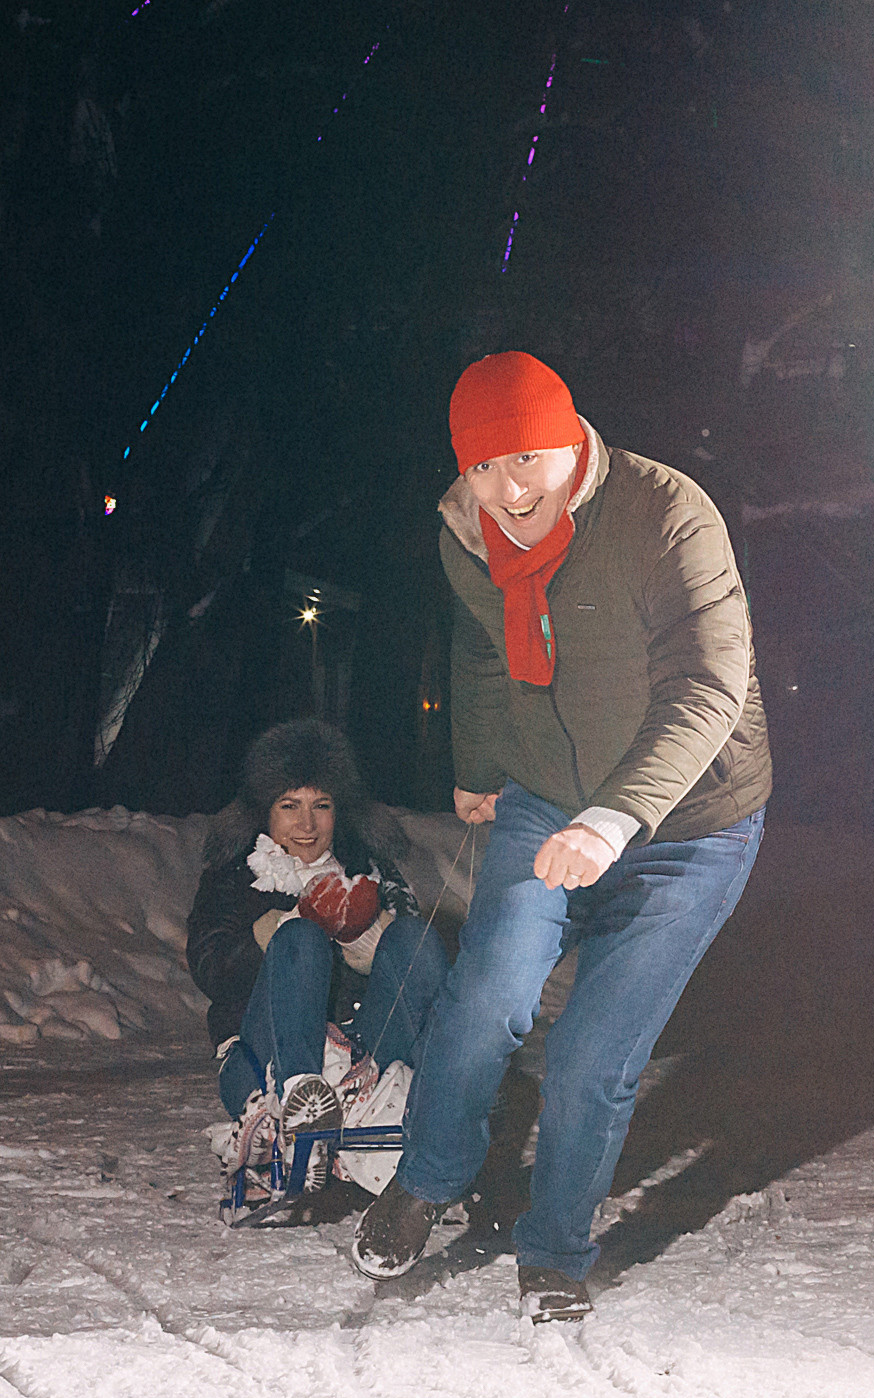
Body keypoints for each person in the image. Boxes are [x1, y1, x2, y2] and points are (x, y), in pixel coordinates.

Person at [351, 351, 772, 1322]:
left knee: (591, 1053)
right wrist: (479, 763)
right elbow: (483, 646)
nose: (514, 487)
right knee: (488, 991)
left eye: (532, 458)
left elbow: (710, 685)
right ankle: (428, 1178)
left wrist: (615, 817)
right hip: (546, 794)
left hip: (690, 824)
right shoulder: (466, 534)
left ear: (572, 441)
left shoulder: (668, 516)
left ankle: (552, 1253)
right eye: (490, 467)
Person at [185, 719, 449, 1191]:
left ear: (339, 812)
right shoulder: (234, 877)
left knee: (415, 940)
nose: (306, 825)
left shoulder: (367, 874)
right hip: (262, 1053)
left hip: (362, 1055)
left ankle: (422, 1104)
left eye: (320, 806)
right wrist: (272, 934)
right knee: (301, 939)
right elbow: (208, 964)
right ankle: (300, 1111)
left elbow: (413, 958)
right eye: (290, 806)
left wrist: (364, 940)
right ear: (265, 813)